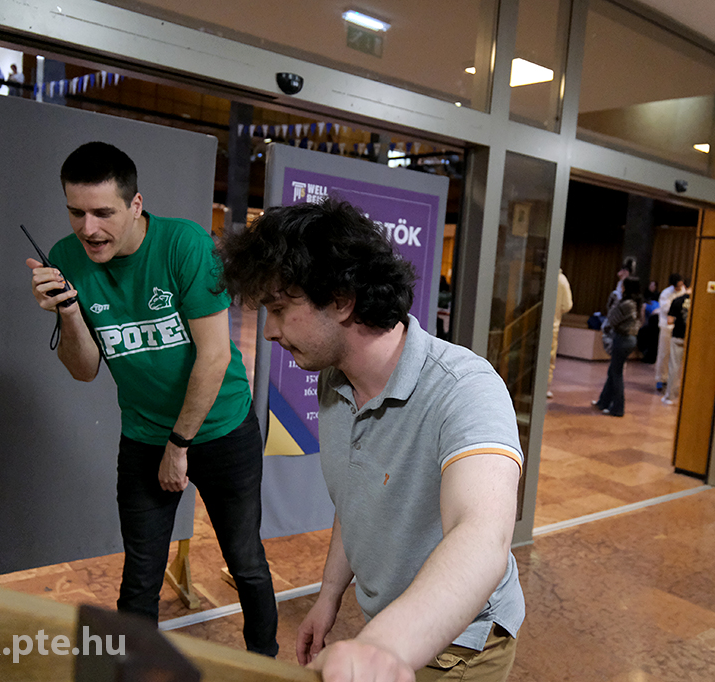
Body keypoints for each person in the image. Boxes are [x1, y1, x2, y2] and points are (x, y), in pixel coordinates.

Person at [219, 199, 525, 682]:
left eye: (279, 309)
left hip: (460, 648)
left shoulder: (465, 388)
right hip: (391, 626)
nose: (270, 331)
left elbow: (482, 535)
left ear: (341, 300)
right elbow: (358, 496)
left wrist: (379, 647)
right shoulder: (335, 379)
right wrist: (329, 595)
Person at [25, 141, 278, 656]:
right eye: (76, 212)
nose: (88, 229)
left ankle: (266, 664)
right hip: (144, 433)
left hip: (221, 428)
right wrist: (69, 312)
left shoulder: (184, 244)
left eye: (103, 213)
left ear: (135, 204)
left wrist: (178, 446)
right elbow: (84, 369)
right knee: (140, 576)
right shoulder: (67, 258)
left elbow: (214, 357)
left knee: (246, 562)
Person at [593, 277, 643, 417]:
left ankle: (618, 408)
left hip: (622, 339)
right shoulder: (637, 303)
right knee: (613, 371)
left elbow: (612, 318)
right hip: (630, 339)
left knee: (616, 374)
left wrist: (614, 302)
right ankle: (603, 402)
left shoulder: (626, 304)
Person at [654, 274, 686, 393]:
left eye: (681, 285)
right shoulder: (666, 293)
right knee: (664, 353)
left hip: (678, 327)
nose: (680, 287)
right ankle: (660, 378)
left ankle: (672, 380)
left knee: (676, 355)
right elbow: (666, 309)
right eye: (677, 286)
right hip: (666, 326)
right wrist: (677, 306)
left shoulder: (684, 291)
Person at [662, 285, 691, 405]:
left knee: (674, 366)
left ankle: (670, 396)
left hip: (678, 336)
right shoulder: (700, 302)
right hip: (692, 338)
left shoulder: (677, 301)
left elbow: (669, 320)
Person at [548, 268, 573, 399]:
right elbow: (567, 305)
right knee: (549, 359)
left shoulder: (542, 275)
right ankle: (545, 387)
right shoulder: (562, 280)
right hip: (553, 326)